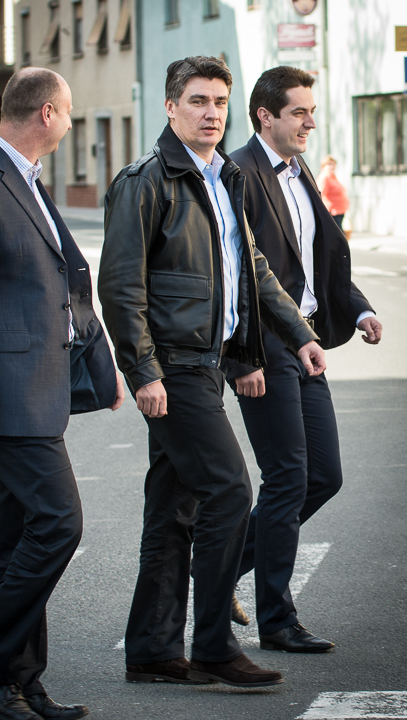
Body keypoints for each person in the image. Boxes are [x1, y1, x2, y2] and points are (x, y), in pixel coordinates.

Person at [98, 56, 328, 688]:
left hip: (208, 363)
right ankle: (214, 646)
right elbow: (120, 286)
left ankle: (152, 650)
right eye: (198, 101)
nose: (211, 113)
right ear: (171, 107)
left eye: (220, 102)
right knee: (229, 492)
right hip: (174, 368)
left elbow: (251, 266)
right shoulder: (147, 181)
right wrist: (143, 371)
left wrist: (300, 335)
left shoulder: (223, 176)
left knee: (173, 509)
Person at [0, 67, 124, 720]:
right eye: (67, 112)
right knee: (60, 523)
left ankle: (19, 688)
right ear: (46, 113)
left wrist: (101, 365)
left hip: (39, 387)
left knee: (16, 544)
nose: (69, 122)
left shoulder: (28, 181)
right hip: (5, 394)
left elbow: (69, 286)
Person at [227, 66, 382, 652]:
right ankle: (277, 620)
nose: (311, 122)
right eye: (299, 112)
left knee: (324, 476)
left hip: (306, 342)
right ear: (265, 115)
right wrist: (243, 358)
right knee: (288, 477)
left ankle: (215, 566)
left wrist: (359, 309)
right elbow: (237, 276)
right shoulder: (238, 174)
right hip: (266, 346)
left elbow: (319, 259)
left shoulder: (300, 171)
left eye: (312, 112)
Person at [316, 155, 350, 230]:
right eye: (329, 164)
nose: (332, 167)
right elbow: (320, 195)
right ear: (323, 166)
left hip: (339, 212)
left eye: (333, 164)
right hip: (332, 213)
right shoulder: (324, 177)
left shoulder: (332, 177)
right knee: (338, 235)